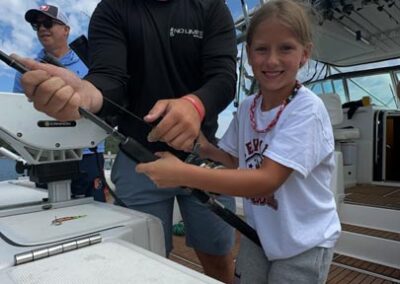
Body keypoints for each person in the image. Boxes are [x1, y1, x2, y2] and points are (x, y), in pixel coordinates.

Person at [17, 0, 237, 282]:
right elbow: (110, 79)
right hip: (138, 162)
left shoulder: (211, 7)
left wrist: (195, 105)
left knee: (219, 260)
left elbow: (223, 77)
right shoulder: (111, 9)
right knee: (143, 264)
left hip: (203, 160)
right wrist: (84, 95)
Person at [136, 0, 341, 283]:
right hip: (260, 237)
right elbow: (234, 160)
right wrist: (202, 145)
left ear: (304, 54)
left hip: (303, 243)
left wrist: (183, 174)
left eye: (285, 48)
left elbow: (267, 179)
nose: (271, 60)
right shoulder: (248, 108)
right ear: (248, 53)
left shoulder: (308, 110)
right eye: (261, 49)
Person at [13, 4, 107, 202]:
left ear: (66, 29)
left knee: (95, 209)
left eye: (48, 23)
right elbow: (19, 111)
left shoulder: (92, 62)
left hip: (88, 152)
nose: (42, 28)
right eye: (36, 26)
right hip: (46, 153)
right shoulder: (25, 70)